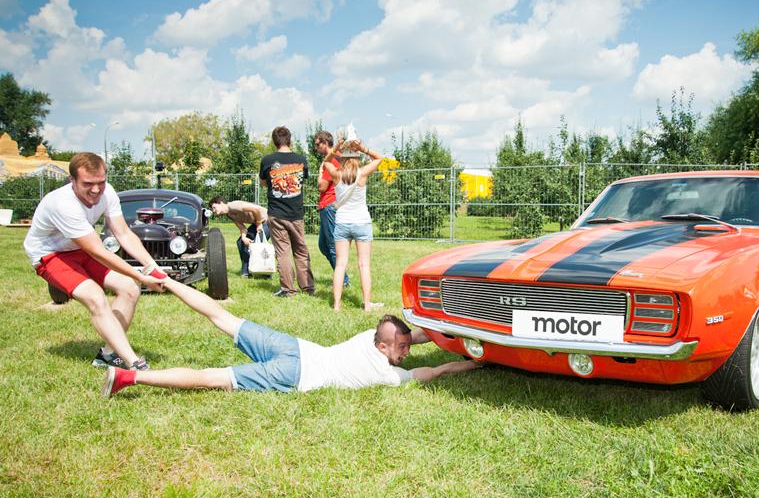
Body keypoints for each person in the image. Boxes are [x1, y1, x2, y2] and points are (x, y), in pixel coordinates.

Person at [102, 278, 481, 396]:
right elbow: (437, 372)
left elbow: (413, 337)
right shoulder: (387, 375)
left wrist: (447, 333)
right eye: (401, 348)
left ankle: (165, 280)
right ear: (383, 347)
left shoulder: (370, 335)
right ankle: (129, 377)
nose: (406, 351)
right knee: (211, 377)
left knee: (222, 317)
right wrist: (477, 361)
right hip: (294, 374)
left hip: (295, 346)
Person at [23, 152, 166, 370]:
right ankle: (133, 363)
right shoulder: (62, 204)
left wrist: (151, 266)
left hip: (80, 249)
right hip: (50, 255)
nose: (96, 190)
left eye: (101, 182)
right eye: (88, 184)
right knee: (96, 297)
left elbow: (123, 233)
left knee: (129, 288)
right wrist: (141, 276)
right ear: (72, 180)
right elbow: (98, 251)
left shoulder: (108, 193)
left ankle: (107, 356)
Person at [320, 139, 383, 312]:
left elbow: (325, 161)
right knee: (364, 265)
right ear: (357, 158)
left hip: (342, 222)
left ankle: (336, 305)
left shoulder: (336, 175)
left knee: (340, 265)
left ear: (341, 159)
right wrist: (363, 148)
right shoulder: (362, 173)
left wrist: (336, 148)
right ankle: (367, 305)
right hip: (362, 222)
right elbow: (379, 158)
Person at [259, 126, 314, 297]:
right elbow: (301, 182)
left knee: (283, 252)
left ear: (274, 141)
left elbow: (263, 183)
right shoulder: (301, 159)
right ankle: (308, 288)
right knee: (301, 251)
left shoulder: (267, 160)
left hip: (276, 214)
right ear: (289, 139)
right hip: (296, 214)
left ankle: (289, 290)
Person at [312, 130, 349, 288]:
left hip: (329, 205)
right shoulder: (338, 157)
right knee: (323, 245)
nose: (316, 148)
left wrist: (320, 171)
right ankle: (341, 276)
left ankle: (343, 280)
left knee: (332, 245)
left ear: (325, 143)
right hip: (328, 205)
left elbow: (322, 186)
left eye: (317, 144)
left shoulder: (331, 159)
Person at [209, 196, 269, 278]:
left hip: (268, 221)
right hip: (257, 223)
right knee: (241, 242)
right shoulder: (229, 214)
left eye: (214, 207)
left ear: (221, 203)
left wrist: (259, 224)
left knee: (258, 245)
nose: (213, 210)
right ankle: (246, 272)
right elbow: (242, 228)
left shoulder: (234, 206)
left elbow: (256, 209)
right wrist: (244, 238)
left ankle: (266, 273)